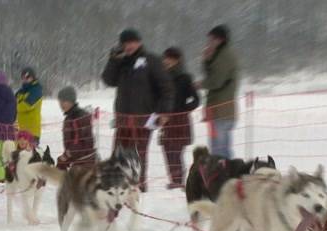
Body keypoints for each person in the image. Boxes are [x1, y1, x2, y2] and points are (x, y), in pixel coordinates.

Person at [102, 28, 174, 192]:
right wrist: (113, 60)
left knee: (139, 154)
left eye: (132, 42)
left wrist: (164, 112)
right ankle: (116, 185)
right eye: (125, 43)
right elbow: (108, 80)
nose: (129, 46)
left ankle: (138, 186)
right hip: (123, 117)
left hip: (144, 117)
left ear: (139, 42)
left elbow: (167, 87)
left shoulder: (152, 60)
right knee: (118, 152)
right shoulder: (121, 61)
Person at [197, 24, 239, 159]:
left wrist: (200, 84)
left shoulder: (224, 56)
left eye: (211, 39)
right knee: (222, 148)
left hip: (221, 111)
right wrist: (207, 60)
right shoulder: (220, 55)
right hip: (220, 111)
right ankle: (227, 175)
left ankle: (224, 176)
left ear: (220, 39)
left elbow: (216, 81)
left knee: (219, 150)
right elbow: (213, 75)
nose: (209, 43)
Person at [160, 47, 200, 189]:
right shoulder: (160, 77)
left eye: (170, 58)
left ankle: (178, 182)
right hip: (165, 119)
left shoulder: (185, 77)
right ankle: (174, 180)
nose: (166, 61)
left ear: (177, 60)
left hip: (180, 120)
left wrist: (183, 110)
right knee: (167, 150)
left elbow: (196, 100)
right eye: (165, 58)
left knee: (176, 152)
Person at [56, 86, 96, 170]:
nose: (61, 104)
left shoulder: (78, 117)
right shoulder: (70, 117)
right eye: (60, 101)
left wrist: (67, 155)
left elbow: (80, 142)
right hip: (77, 158)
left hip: (84, 160)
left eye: (64, 101)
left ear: (71, 101)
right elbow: (72, 142)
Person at [15, 67, 43, 145]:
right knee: (20, 155)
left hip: (32, 132)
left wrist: (15, 107)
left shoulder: (37, 90)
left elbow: (27, 105)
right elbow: (12, 102)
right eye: (23, 78)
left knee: (31, 155)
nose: (25, 79)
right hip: (21, 131)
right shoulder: (20, 91)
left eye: (27, 77)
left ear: (33, 77)